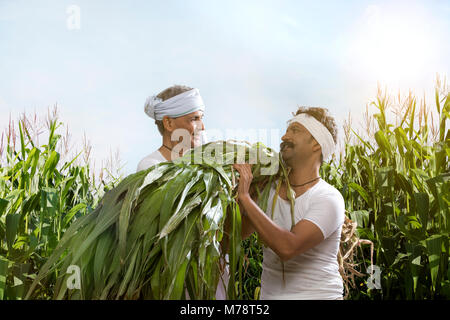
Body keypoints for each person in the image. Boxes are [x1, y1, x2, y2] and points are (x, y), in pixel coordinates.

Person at [233, 106, 345, 300]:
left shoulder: (328, 198)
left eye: (295, 130)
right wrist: (238, 204)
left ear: (316, 144)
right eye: (286, 131)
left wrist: (245, 198)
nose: (284, 137)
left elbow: (288, 248)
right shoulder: (268, 191)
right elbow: (230, 241)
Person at [137, 84, 229, 300]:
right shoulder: (151, 167)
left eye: (201, 118)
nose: (202, 126)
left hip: (212, 282)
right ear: (169, 123)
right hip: (174, 282)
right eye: (194, 119)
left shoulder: (209, 168)